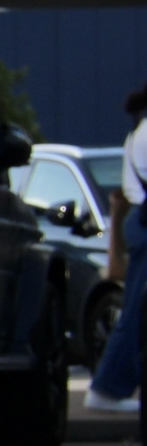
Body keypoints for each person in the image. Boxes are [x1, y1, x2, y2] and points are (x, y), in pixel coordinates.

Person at [83, 86, 147, 413]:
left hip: (140, 223)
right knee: (136, 312)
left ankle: (108, 386)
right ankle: (107, 387)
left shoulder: (137, 134)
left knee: (137, 309)